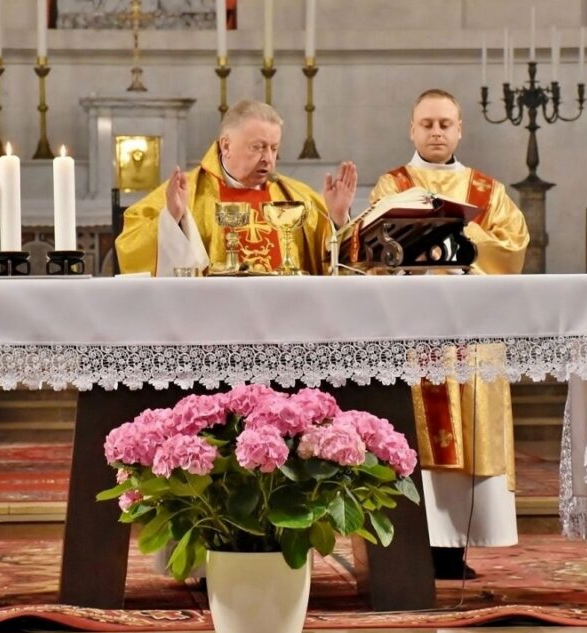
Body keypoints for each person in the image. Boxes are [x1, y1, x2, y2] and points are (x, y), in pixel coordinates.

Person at [369, 89, 529, 580]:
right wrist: (437, 234)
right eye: (427, 124)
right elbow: (374, 250)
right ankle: (415, 546)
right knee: (417, 439)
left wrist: (453, 233)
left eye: (445, 124)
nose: (436, 132)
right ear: (412, 130)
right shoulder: (392, 186)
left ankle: (457, 546)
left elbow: (512, 249)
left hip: (470, 334)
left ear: (460, 129)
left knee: (471, 436)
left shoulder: (486, 190)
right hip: (414, 334)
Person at [116, 99, 357, 276]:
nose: (268, 159)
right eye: (258, 147)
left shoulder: (297, 197)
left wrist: (337, 220)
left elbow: (334, 268)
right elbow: (130, 243)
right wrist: (173, 219)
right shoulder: (186, 191)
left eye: (274, 148)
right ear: (226, 146)